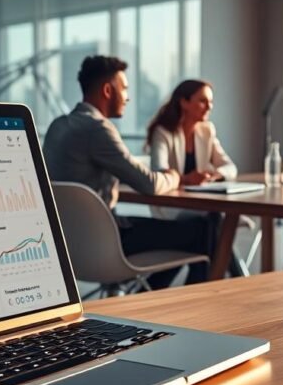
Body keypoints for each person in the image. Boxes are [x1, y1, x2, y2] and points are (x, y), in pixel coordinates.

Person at [43, 55, 212, 289]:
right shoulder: (98, 128)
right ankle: (177, 306)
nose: (128, 97)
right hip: (106, 242)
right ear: (107, 90)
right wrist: (176, 176)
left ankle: (151, 298)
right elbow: (149, 184)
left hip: (68, 245)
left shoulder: (58, 126)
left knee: (188, 232)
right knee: (204, 230)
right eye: (124, 88)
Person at [147, 79, 237, 189]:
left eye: (211, 101)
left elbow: (230, 167)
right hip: (170, 201)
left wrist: (214, 175)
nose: (210, 107)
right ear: (184, 103)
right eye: (203, 101)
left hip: (199, 200)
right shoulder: (163, 132)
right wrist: (186, 179)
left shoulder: (207, 131)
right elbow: (159, 171)